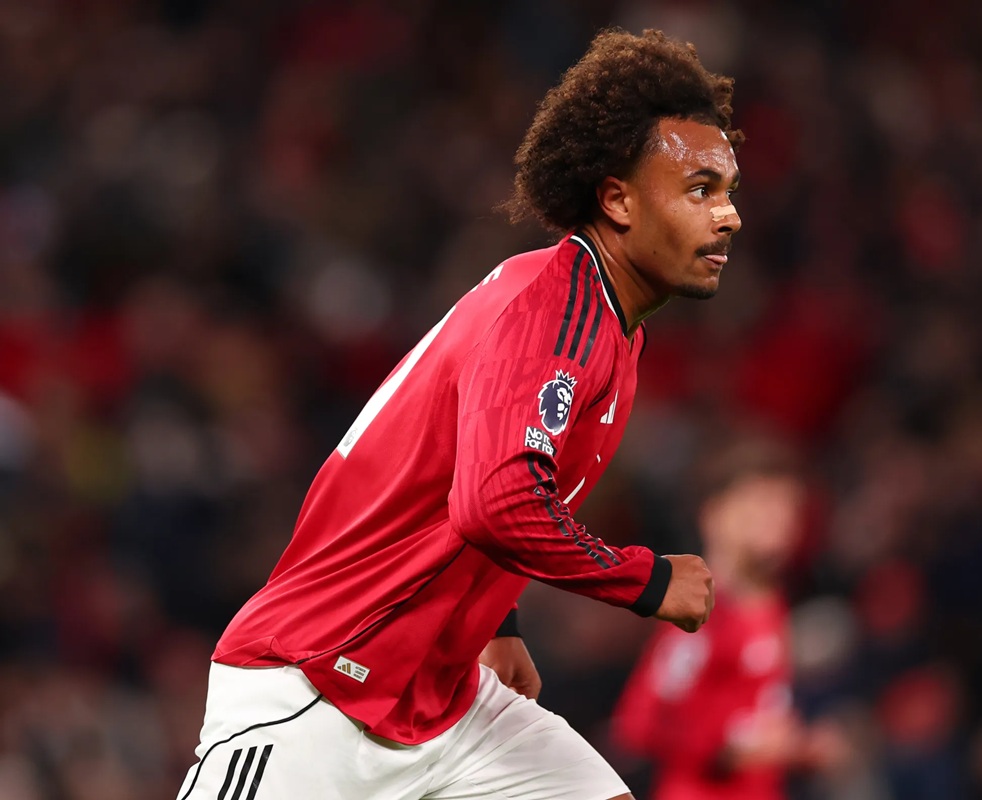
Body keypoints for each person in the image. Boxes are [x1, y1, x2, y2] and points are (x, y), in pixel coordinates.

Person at [175, 27, 742, 800]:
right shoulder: (558, 308)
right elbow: (496, 501)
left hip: (442, 698)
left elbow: (463, 468)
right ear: (617, 199)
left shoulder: (603, 321)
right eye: (701, 190)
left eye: (729, 190)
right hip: (319, 687)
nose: (729, 216)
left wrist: (496, 623)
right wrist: (646, 579)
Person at [612, 437, 847, 800]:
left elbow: (749, 718)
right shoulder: (703, 612)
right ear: (714, 514)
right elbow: (639, 725)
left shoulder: (771, 602)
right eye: (761, 503)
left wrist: (797, 746)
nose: (778, 520)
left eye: (787, 507)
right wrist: (727, 749)